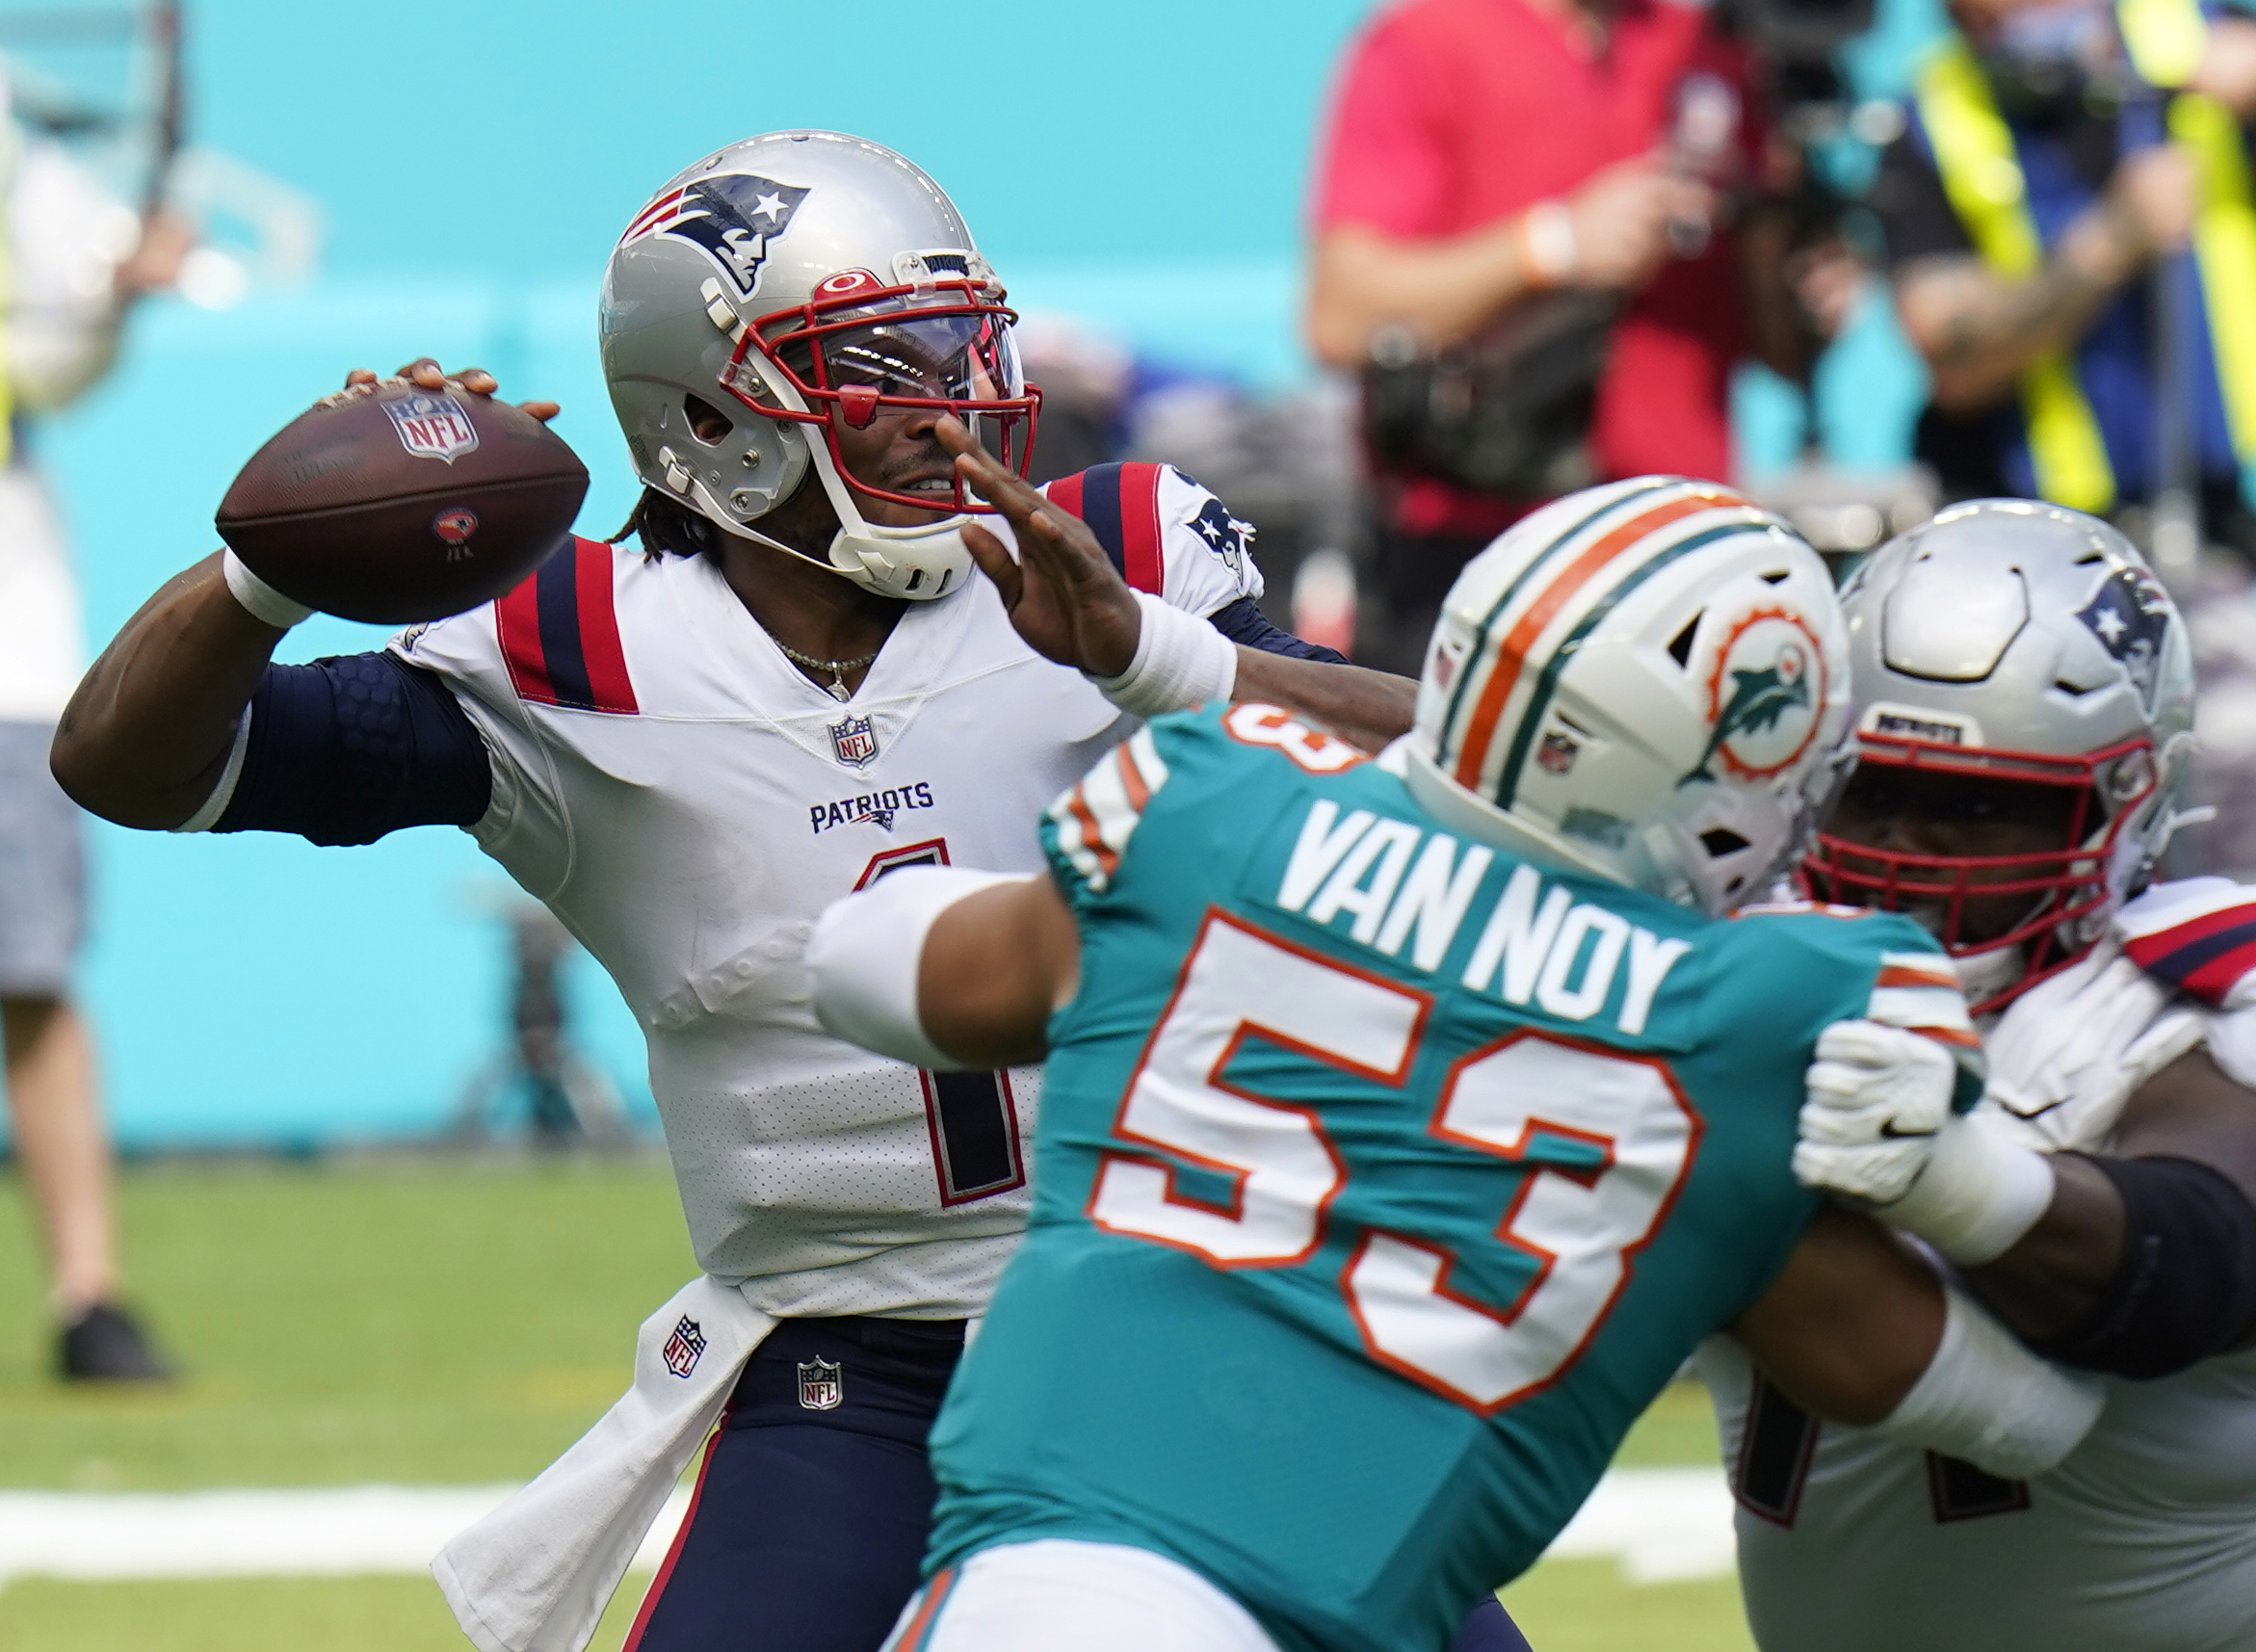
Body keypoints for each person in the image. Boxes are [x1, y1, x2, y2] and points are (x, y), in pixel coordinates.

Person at [48, 131, 1435, 1652]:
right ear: (714, 416)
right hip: (853, 1383)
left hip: (1185, 1323)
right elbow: (135, 766)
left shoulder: (1107, 561)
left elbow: (1482, 778)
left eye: (961, 341)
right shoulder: (572, 646)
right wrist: (274, 571)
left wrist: (1151, 658)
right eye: (878, 365)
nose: (953, 401)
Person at [807, 477, 2109, 1652]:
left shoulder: (1217, 813)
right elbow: (2016, 1411)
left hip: (1066, 1603)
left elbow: (857, 962)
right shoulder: (1755, 1018)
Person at [1767, 499, 2256, 1652]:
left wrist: (1948, 1173)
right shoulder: (1739, 942)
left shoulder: (2213, 975)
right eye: (1870, 789)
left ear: (2128, 801)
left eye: (1984, 804)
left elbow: (2205, 1264)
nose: (1909, 850)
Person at [1868, 0, 2256, 896]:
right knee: (2038, 879)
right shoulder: (1932, 117)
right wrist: (2111, 240)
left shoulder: (2207, 41)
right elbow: (1951, 350)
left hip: (2206, 554)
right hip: (2025, 589)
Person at [1304, 0, 1854, 674]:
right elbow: (1340, 314)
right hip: (1480, 559)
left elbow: (1780, 351)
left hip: (1685, 561)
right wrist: (1550, 247)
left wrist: (1804, 280)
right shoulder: (1427, 40)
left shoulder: (1713, 51)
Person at [0, 80, 186, 1382]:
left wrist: (120, 292)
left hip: (8, 654)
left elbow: (59, 350)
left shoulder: (19, 163)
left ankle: (88, 1296)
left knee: (32, 974)